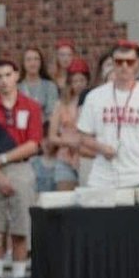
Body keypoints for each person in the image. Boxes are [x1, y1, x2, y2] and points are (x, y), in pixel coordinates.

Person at [0, 58, 42, 278]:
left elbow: (33, 144)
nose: (4, 80)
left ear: (16, 76)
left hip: (20, 168)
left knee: (20, 226)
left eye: (8, 75)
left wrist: (3, 158)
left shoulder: (31, 106)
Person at [77, 40, 139, 188]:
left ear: (138, 63)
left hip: (138, 177)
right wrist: (101, 148)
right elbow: (83, 136)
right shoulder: (95, 97)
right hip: (101, 179)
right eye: (119, 62)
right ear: (112, 63)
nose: (124, 66)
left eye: (129, 62)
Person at [47, 57, 92, 190]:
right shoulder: (61, 104)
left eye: (81, 80)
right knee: (64, 195)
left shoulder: (93, 102)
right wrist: (69, 142)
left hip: (87, 156)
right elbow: (52, 136)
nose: (78, 84)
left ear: (87, 81)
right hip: (65, 156)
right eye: (75, 81)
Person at [19, 47, 60, 192]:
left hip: (43, 139)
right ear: (23, 63)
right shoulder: (17, 87)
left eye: (36, 59)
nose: (33, 63)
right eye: (29, 59)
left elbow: (51, 114)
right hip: (22, 139)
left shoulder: (49, 86)